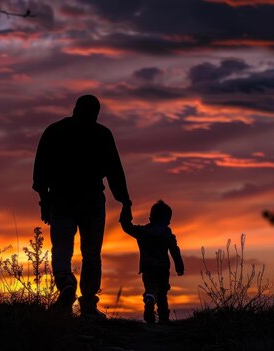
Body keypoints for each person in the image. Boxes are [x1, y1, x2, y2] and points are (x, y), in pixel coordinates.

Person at [33, 95, 132, 317]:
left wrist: (44, 200)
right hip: (89, 200)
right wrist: (125, 202)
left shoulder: (55, 131)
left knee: (63, 249)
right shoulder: (101, 134)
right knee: (91, 253)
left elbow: (40, 170)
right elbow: (115, 172)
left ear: (75, 108)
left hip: (63, 199)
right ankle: (87, 302)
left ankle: (67, 283)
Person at [119, 200, 184, 324]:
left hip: (148, 268)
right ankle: (164, 318)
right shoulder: (168, 235)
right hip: (163, 269)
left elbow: (127, 227)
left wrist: (125, 211)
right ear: (167, 220)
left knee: (151, 288)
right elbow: (175, 251)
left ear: (150, 218)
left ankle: (149, 299)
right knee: (162, 293)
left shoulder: (143, 232)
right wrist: (179, 265)